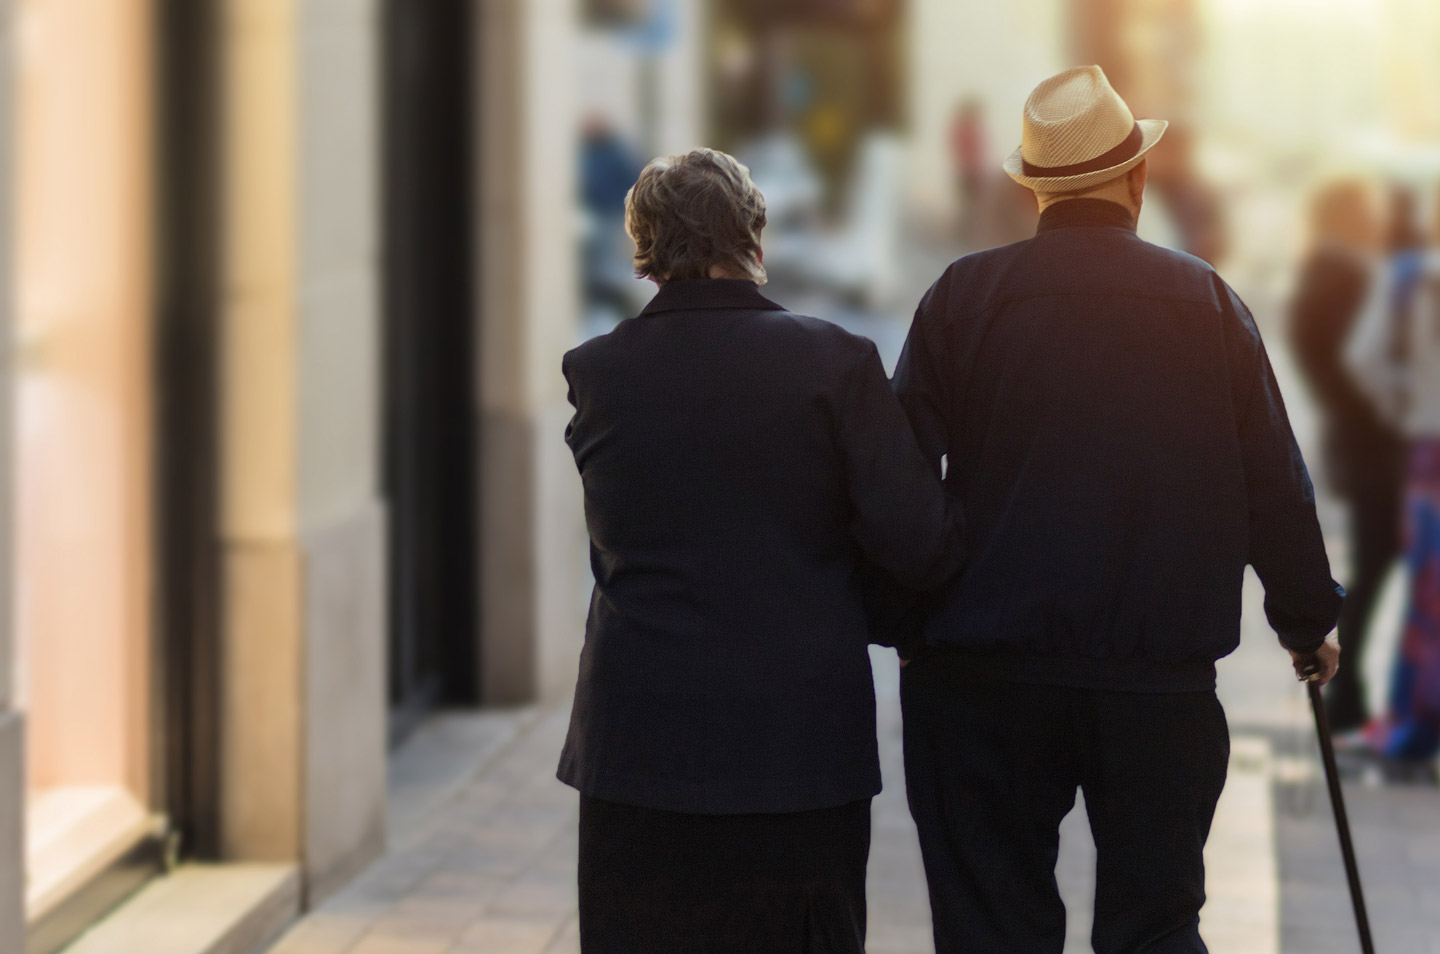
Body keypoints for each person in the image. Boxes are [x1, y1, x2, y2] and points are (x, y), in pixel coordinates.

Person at [892, 67, 1344, 954]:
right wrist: (1306, 622)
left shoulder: (962, 298)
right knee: (1155, 928)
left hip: (983, 679)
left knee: (991, 927)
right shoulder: (1206, 303)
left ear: (1037, 192)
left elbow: (898, 479)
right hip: (1156, 685)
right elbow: (1273, 483)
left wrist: (910, 620)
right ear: (1136, 180)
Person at [558, 148, 965, 954]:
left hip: (638, 744)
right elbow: (920, 543)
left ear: (643, 249)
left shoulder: (600, 372)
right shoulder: (834, 362)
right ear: (754, 236)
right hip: (800, 747)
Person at [1288, 178, 1405, 733]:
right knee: (1380, 559)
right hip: (1377, 445)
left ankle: (1352, 693)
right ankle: (1350, 692)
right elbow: (1369, 363)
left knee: (1378, 559)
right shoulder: (1351, 277)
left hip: (1357, 442)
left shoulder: (1321, 273)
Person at [1345, 185, 1440, 765]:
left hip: (1430, 450)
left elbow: (1363, 357)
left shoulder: (1411, 275)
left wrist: (1404, 402)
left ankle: (1416, 722)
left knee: (1428, 595)